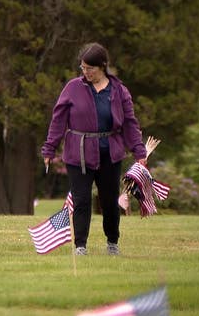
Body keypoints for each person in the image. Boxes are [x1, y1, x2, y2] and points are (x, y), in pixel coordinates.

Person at [41, 42, 147, 256]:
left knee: (109, 201)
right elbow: (58, 120)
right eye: (83, 68)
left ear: (103, 66)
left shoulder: (119, 91)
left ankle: (112, 243)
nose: (86, 72)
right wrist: (49, 149)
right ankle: (80, 246)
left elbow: (130, 123)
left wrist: (139, 152)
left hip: (111, 153)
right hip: (78, 154)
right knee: (81, 200)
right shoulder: (72, 88)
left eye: (90, 68)